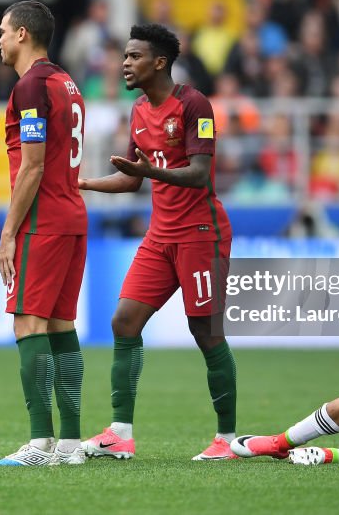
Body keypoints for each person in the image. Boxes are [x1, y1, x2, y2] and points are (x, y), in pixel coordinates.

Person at [79, 24, 237, 462]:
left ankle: (226, 440)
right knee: (123, 321)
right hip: (160, 235)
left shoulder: (194, 105)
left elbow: (200, 173)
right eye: (125, 56)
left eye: (133, 56)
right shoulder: (138, 111)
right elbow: (133, 179)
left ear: (159, 62)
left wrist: (151, 173)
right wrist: (83, 183)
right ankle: (119, 434)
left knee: (205, 332)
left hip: (201, 233)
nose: (124, 63)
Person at [0, 0, 88, 467]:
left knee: (28, 324)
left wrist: (8, 232)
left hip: (43, 222)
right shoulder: (66, 83)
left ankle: (39, 443)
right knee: (61, 327)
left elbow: (31, 165)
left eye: (4, 31)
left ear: (24, 34)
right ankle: (70, 444)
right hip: (72, 217)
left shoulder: (30, 86)